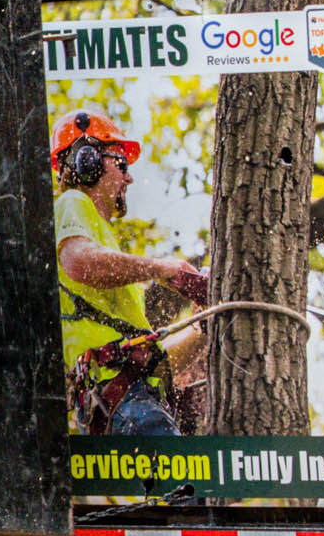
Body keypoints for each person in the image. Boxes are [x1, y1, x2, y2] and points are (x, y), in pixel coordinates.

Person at [53, 109, 209, 436]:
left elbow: (154, 361)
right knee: (181, 481)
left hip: (131, 396)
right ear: (88, 161)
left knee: (191, 482)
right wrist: (161, 269)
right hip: (122, 400)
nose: (129, 177)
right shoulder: (72, 203)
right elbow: (78, 262)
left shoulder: (103, 240)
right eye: (121, 164)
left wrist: (202, 326)